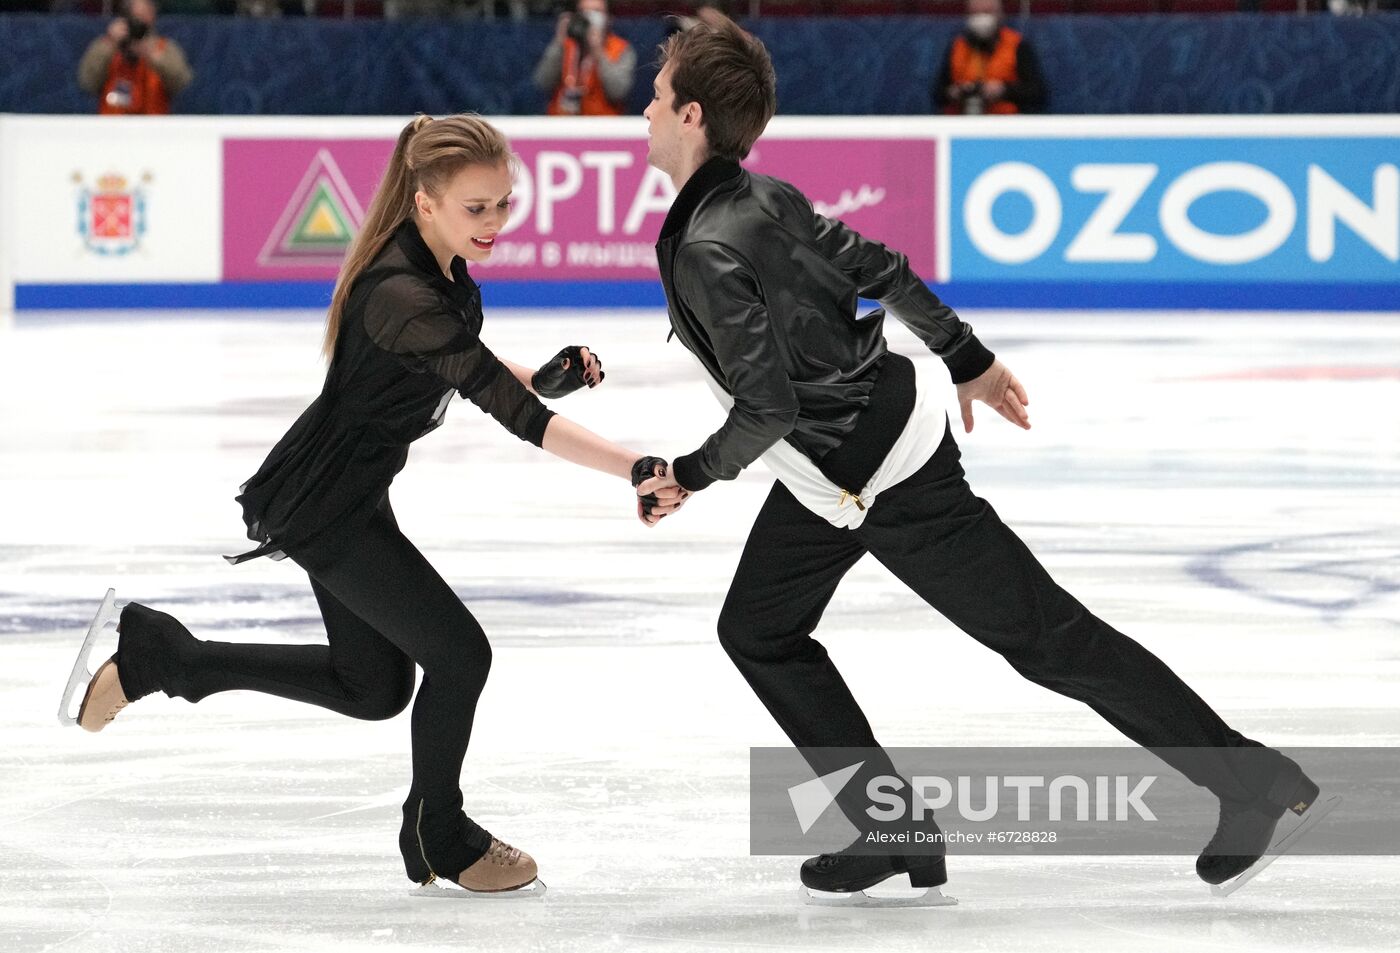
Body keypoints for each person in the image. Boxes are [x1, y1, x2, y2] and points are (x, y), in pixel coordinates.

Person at [635, 14, 1325, 899]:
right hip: (832, 473)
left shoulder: (708, 240)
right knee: (759, 628)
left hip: (880, 475)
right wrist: (966, 356)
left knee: (1048, 639)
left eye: (656, 100)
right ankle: (890, 826)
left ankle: (1248, 779)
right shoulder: (763, 200)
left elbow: (766, 406)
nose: (643, 115)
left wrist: (687, 474)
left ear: (692, 117)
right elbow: (880, 267)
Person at [63, 114, 667, 897]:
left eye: (503, 205)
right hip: (327, 506)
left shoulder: (432, 270)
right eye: (476, 208)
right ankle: (439, 833)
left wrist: (544, 374)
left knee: (375, 686)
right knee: (461, 655)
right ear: (426, 202)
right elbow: (514, 414)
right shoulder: (402, 291)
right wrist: (636, 468)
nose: (493, 223)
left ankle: (162, 657)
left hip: (345, 493)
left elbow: (469, 362)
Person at [76, 0, 193, 116]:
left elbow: (182, 84)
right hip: (112, 126)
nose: (137, 22)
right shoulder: (106, 45)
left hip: (153, 126)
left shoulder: (165, 48)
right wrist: (110, 44)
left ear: (152, 15)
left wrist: (154, 57)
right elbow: (87, 83)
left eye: (143, 15)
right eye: (133, 16)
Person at [931, 0, 1045, 116]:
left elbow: (1037, 93)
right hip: (962, 121)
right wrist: (954, 93)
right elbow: (937, 94)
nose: (981, 18)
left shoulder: (1017, 45)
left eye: (987, 12)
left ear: (1000, 14)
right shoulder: (957, 46)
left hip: (1006, 123)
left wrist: (1004, 90)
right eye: (975, 13)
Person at [533, 0, 636, 116]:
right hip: (562, 125)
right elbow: (542, 82)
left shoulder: (621, 48)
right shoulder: (565, 44)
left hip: (602, 127)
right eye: (584, 11)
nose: (589, 16)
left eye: (596, 11)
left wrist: (598, 52)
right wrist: (558, 42)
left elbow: (618, 92)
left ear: (608, 18)